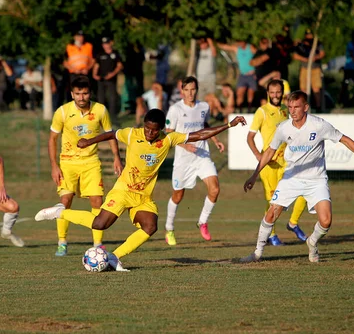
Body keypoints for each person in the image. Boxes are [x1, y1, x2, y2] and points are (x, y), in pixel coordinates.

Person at [35, 109, 247, 271]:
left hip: (143, 196)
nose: (149, 133)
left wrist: (229, 124)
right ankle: (60, 212)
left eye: (154, 129)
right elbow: (111, 134)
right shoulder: (132, 134)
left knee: (150, 226)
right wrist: (88, 141)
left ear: (161, 128)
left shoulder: (168, 139)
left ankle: (113, 257)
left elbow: (200, 135)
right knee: (100, 223)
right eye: (147, 128)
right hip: (123, 190)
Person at [241, 90, 354, 263]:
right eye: (290, 107)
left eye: (296, 107)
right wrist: (254, 175)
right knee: (271, 215)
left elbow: (344, 139)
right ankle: (257, 254)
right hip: (291, 178)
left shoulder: (319, 125)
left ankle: (312, 242)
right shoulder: (284, 128)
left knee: (326, 221)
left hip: (316, 180)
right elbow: (269, 152)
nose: (292, 111)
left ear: (306, 107)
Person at [48, 75, 123, 257]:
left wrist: (116, 157)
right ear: (72, 94)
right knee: (65, 201)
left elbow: (110, 134)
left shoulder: (100, 110)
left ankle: (97, 244)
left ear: (90, 93)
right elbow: (52, 139)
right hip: (67, 162)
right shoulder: (63, 112)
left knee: (97, 201)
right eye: (78, 93)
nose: (81, 97)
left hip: (91, 162)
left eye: (85, 93)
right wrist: (54, 165)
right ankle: (62, 242)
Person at [164, 76, 224, 245]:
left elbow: (206, 126)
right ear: (182, 91)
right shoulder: (175, 109)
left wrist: (216, 140)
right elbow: (168, 133)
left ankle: (202, 221)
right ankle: (169, 228)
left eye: (193, 90)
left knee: (215, 189)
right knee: (178, 195)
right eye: (187, 90)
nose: (190, 93)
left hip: (202, 156)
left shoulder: (204, 106)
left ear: (197, 90)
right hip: (183, 160)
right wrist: (185, 145)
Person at [246, 80, 308, 246]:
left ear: (283, 92)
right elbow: (250, 137)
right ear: (267, 92)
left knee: (304, 190)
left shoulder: (285, 110)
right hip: (269, 165)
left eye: (278, 92)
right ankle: (271, 234)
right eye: (272, 92)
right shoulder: (262, 112)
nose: (275, 95)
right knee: (273, 201)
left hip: (286, 162)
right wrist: (259, 156)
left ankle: (293, 223)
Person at [217, 38, 257, 111]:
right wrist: (216, 42)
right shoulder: (237, 49)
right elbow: (225, 47)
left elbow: (258, 56)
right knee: (239, 93)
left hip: (251, 74)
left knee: (250, 93)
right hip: (243, 74)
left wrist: (256, 70)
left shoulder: (250, 47)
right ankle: (239, 110)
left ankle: (249, 109)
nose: (239, 44)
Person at [293, 30, 325, 111]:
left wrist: (315, 58)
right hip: (305, 68)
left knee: (316, 88)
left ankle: (318, 107)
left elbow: (322, 53)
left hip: (315, 68)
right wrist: (304, 59)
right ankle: (304, 106)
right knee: (303, 89)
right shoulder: (301, 44)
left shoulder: (317, 43)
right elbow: (295, 55)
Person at [93, 37, 124, 121]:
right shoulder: (100, 54)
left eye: (107, 43)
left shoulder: (115, 53)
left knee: (112, 98)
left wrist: (112, 74)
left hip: (111, 80)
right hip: (101, 79)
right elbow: (96, 65)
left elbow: (119, 65)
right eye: (104, 44)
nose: (106, 45)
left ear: (110, 43)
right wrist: (94, 74)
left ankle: (113, 118)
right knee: (101, 98)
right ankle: (101, 118)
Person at [339, 31, 354, 107]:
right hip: (349, 67)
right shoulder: (350, 44)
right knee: (345, 85)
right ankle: (342, 101)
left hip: (353, 68)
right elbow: (352, 56)